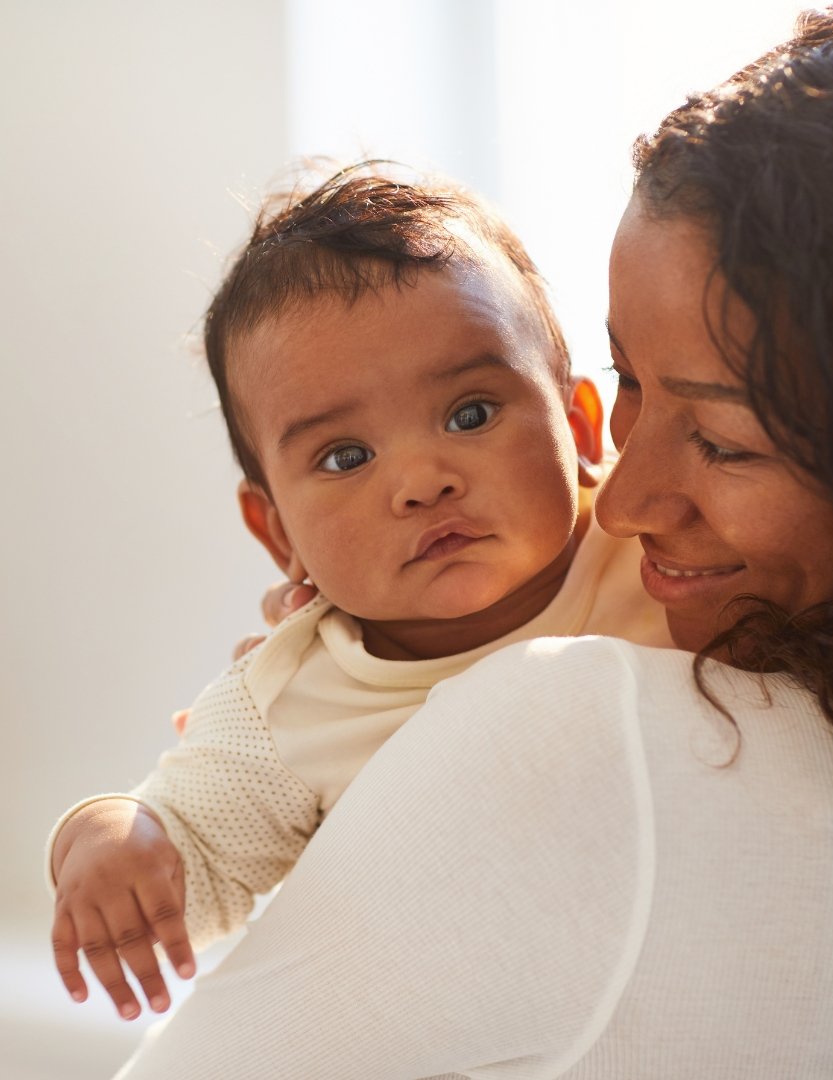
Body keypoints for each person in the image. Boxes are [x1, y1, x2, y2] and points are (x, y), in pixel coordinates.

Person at [107, 1, 833, 1075]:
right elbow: (189, 846)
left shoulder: (573, 719)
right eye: (630, 384)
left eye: (721, 439)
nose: (618, 500)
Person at [47, 168, 673, 1020]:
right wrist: (109, 836)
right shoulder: (293, 695)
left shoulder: (657, 550)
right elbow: (195, 856)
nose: (421, 481)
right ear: (278, 535)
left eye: (471, 413)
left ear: (581, 426)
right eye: (345, 457)